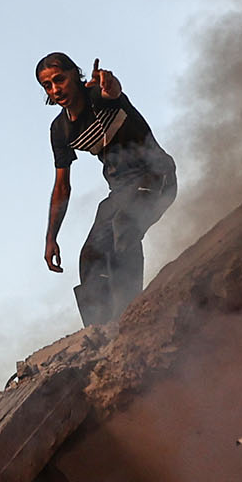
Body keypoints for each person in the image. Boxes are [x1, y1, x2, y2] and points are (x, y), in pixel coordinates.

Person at [38, 52, 178, 327]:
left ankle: (131, 316)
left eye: (60, 80)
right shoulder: (60, 130)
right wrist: (51, 237)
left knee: (124, 225)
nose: (56, 90)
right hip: (121, 191)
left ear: (74, 76)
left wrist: (109, 85)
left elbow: (113, 91)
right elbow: (62, 185)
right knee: (91, 255)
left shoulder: (101, 97)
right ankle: (99, 331)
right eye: (48, 86)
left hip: (156, 177)